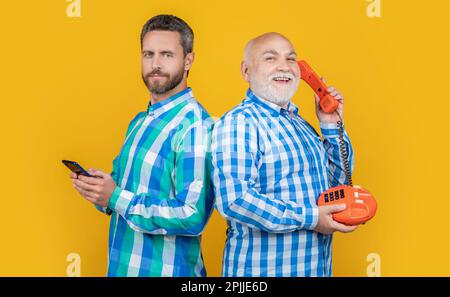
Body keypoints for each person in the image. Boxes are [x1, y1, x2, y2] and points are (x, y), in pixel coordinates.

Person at [70, 14, 214, 277]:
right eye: (148, 54)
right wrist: (100, 191)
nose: (155, 64)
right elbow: (122, 193)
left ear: (189, 60)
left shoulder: (195, 126)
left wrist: (115, 197)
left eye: (167, 55)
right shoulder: (139, 122)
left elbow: (192, 216)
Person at [211, 32, 357, 277]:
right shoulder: (240, 123)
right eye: (270, 58)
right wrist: (311, 217)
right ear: (246, 71)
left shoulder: (302, 126)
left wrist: (331, 125)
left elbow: (340, 187)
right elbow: (234, 200)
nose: (284, 66)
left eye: (291, 59)